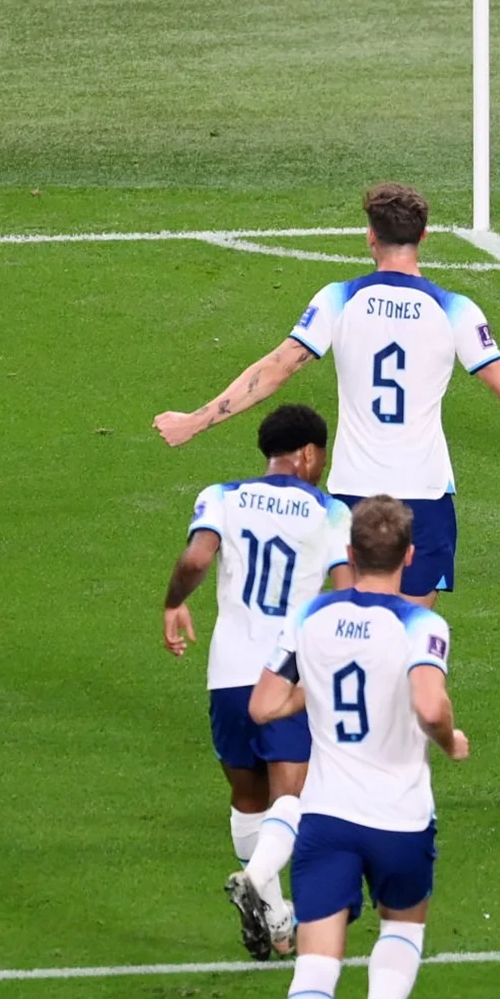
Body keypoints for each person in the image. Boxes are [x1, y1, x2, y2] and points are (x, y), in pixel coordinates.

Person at [154, 183, 500, 606]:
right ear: (424, 237)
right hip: (424, 496)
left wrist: (194, 421)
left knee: (354, 634)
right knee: (409, 642)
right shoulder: (455, 310)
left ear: (370, 237)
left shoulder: (338, 299)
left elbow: (276, 368)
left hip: (353, 494)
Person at [249, 497, 464, 999]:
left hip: (327, 817)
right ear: (408, 556)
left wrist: (312, 692)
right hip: (400, 817)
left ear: (350, 552)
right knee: (402, 926)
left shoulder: (310, 616)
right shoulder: (422, 623)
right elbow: (431, 706)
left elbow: (263, 706)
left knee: (316, 965)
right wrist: (450, 740)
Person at [164, 404, 355, 962]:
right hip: (288, 674)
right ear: (309, 454)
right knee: (293, 796)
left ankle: (275, 919)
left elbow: (196, 559)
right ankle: (254, 879)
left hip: (226, 673)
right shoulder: (329, 510)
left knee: (248, 799)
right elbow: (346, 590)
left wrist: (174, 602)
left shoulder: (221, 496)